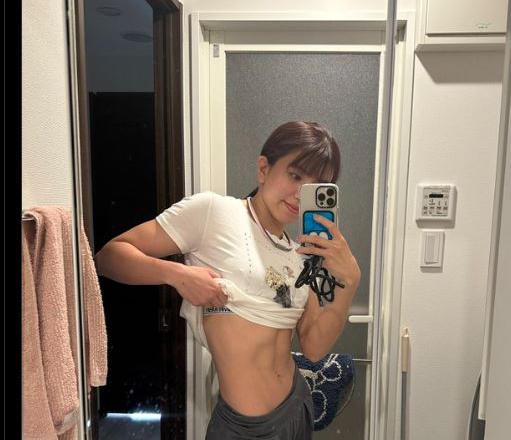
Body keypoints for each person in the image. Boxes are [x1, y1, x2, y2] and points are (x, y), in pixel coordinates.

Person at [94, 121, 361, 439]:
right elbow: (109, 258)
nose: (298, 195)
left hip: (296, 408)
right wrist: (177, 274)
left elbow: (314, 348)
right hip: (243, 427)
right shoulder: (214, 213)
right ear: (263, 168)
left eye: (314, 187)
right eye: (295, 176)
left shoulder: (303, 255)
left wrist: (350, 281)